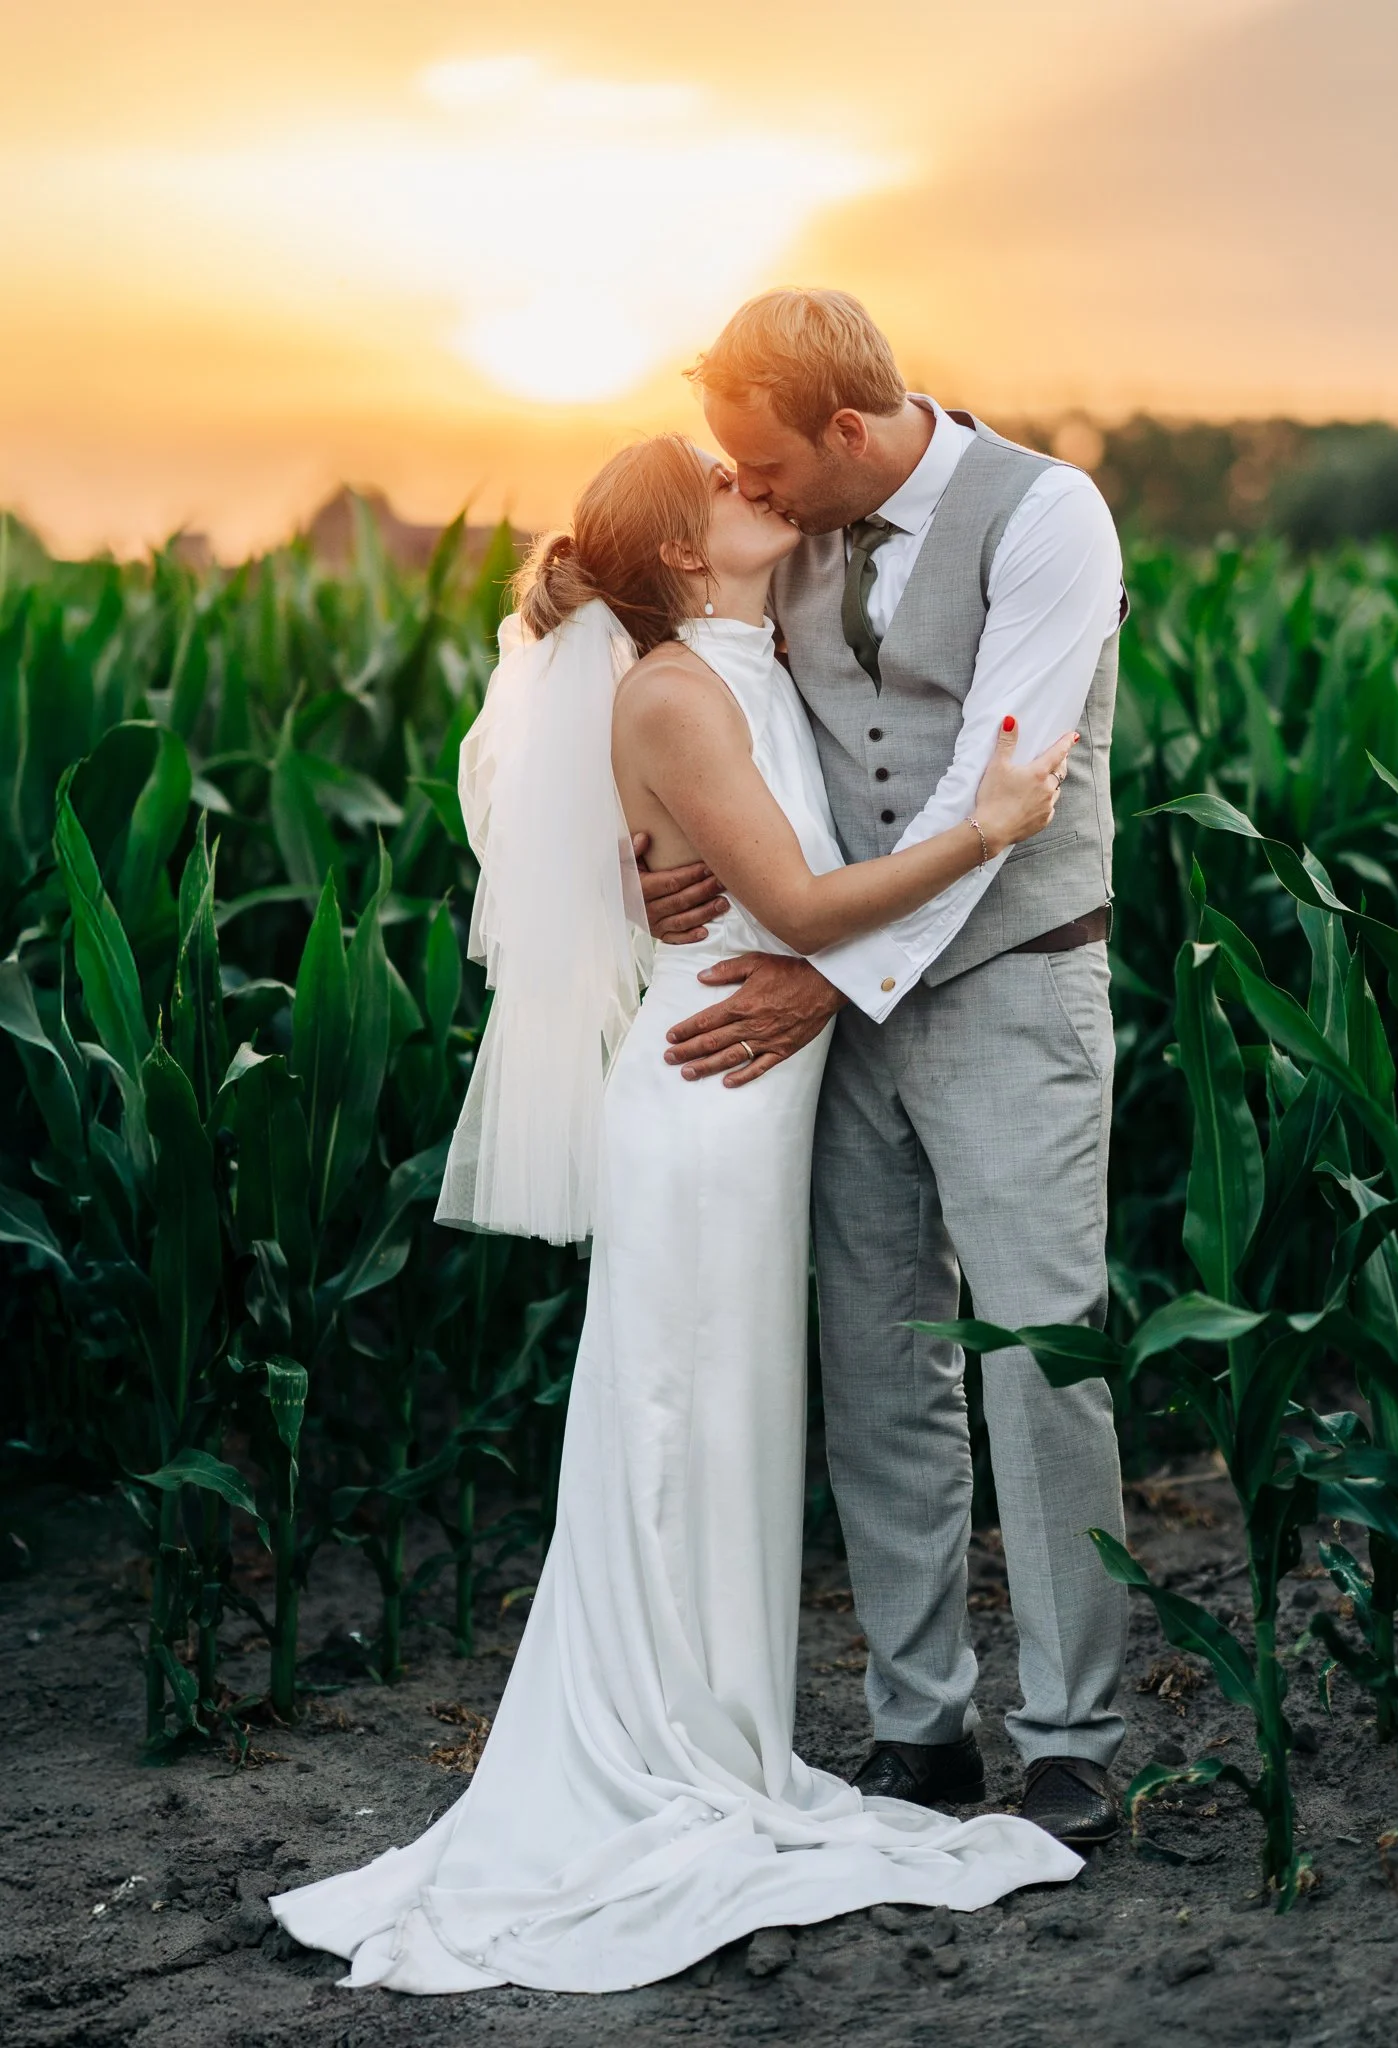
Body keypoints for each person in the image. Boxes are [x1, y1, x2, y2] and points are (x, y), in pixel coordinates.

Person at [269, 433, 1083, 1995]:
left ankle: (717, 1730)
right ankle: (661, 1751)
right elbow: (792, 907)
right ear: (672, 551)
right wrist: (989, 823)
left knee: (720, 1434)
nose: (755, 486)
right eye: (723, 483)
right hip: (707, 1101)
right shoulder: (671, 690)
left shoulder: (741, 654)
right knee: (674, 1430)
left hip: (758, 1103)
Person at [642, 289, 1128, 1849]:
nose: (750, 491)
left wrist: (816, 972)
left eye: (766, 462)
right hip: (831, 1012)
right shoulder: (789, 531)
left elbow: (1006, 791)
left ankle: (1071, 1738)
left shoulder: (1048, 518)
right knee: (875, 1364)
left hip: (1007, 989)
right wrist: (654, 862)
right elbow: (705, 704)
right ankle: (918, 1729)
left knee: (1036, 1359)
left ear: (847, 431)